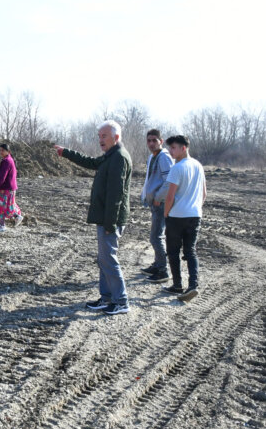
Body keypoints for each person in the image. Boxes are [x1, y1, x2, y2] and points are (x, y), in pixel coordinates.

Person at [54, 120, 133, 315]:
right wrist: (66, 153)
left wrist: (110, 222)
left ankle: (121, 301)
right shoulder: (110, 155)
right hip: (106, 218)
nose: (100, 140)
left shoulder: (119, 158)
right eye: (99, 136)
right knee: (103, 259)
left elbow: (116, 194)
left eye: (103, 136)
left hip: (110, 219)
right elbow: (90, 162)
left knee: (109, 259)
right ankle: (107, 298)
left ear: (116, 137)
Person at [162, 134, 207, 302]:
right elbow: (204, 194)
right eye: (170, 148)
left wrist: (166, 213)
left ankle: (177, 285)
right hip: (194, 215)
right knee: (190, 250)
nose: (171, 151)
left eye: (174, 148)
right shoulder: (199, 165)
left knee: (173, 251)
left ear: (184, 148)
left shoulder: (177, 168)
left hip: (177, 216)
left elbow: (170, 196)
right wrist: (196, 207)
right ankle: (193, 285)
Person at [139, 129, 174, 283]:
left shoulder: (163, 158)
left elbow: (169, 181)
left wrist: (158, 198)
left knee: (156, 237)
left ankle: (163, 270)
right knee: (156, 235)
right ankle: (157, 264)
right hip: (155, 202)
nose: (151, 143)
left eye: (154, 140)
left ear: (161, 140)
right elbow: (149, 179)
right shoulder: (153, 157)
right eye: (149, 140)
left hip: (161, 203)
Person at [0, 143, 23, 233]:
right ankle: (14, 218)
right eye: (0, 150)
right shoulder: (9, 160)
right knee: (8, 206)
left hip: (6, 188)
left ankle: (3, 225)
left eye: (3, 150)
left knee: (3, 206)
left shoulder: (6, 161)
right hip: (9, 188)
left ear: (8, 151)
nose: (0, 152)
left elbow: (2, 177)